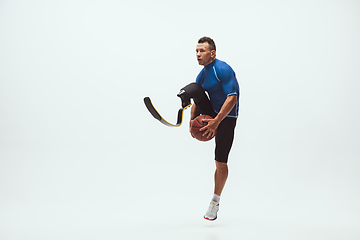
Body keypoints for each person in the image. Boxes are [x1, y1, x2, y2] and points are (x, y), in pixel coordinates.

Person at [190, 37, 240, 221]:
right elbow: (198, 98)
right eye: (196, 51)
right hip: (212, 112)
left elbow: (232, 98)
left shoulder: (223, 69)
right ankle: (181, 108)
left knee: (220, 162)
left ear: (212, 53)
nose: (198, 54)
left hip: (227, 116)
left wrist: (217, 122)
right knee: (193, 88)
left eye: (201, 51)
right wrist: (191, 121)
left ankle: (215, 201)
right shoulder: (202, 75)